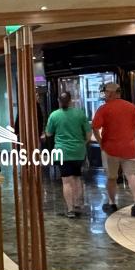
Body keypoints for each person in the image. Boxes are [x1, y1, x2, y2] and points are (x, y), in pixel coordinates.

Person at [91, 80, 135, 216]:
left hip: (110, 148)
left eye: (106, 92)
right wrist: (129, 135)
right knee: (131, 175)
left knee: (112, 177)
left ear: (111, 93)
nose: (105, 94)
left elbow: (95, 128)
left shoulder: (104, 109)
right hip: (129, 147)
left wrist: (101, 142)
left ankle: (111, 203)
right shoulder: (131, 107)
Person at [42, 90, 92, 219]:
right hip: (78, 151)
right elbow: (88, 134)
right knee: (77, 177)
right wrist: (82, 143)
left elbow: (48, 133)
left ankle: (70, 209)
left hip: (62, 152)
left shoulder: (54, 115)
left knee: (66, 181)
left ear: (59, 101)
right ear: (70, 101)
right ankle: (77, 204)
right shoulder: (80, 114)